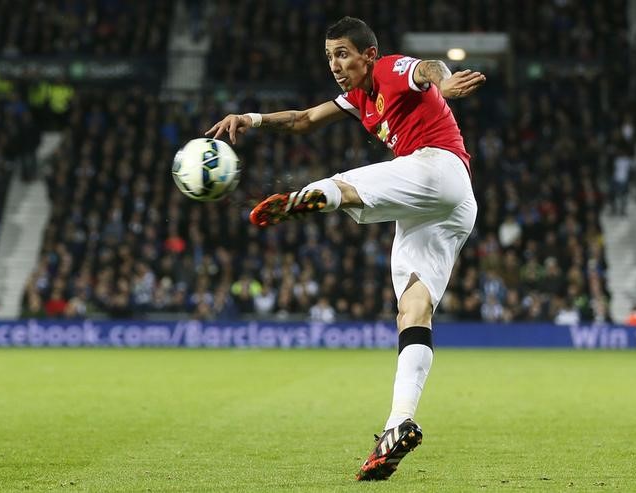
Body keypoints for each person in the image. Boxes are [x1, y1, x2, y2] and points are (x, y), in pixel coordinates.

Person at [206, 16, 485, 481]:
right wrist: (250, 119)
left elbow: (427, 69)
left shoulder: (390, 70)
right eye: (330, 56)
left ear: (368, 54)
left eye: (343, 54)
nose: (335, 65)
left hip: (437, 167)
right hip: (447, 207)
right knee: (413, 308)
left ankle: (311, 198)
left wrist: (447, 82)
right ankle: (399, 423)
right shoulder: (359, 97)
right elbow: (303, 120)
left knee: (344, 184)